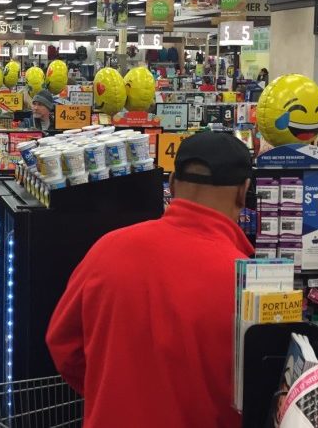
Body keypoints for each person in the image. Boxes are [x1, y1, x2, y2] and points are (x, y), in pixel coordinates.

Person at [47, 131, 254, 427]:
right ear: (242, 192)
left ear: (171, 184)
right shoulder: (248, 281)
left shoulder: (109, 248)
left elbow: (64, 345)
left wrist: (113, 393)